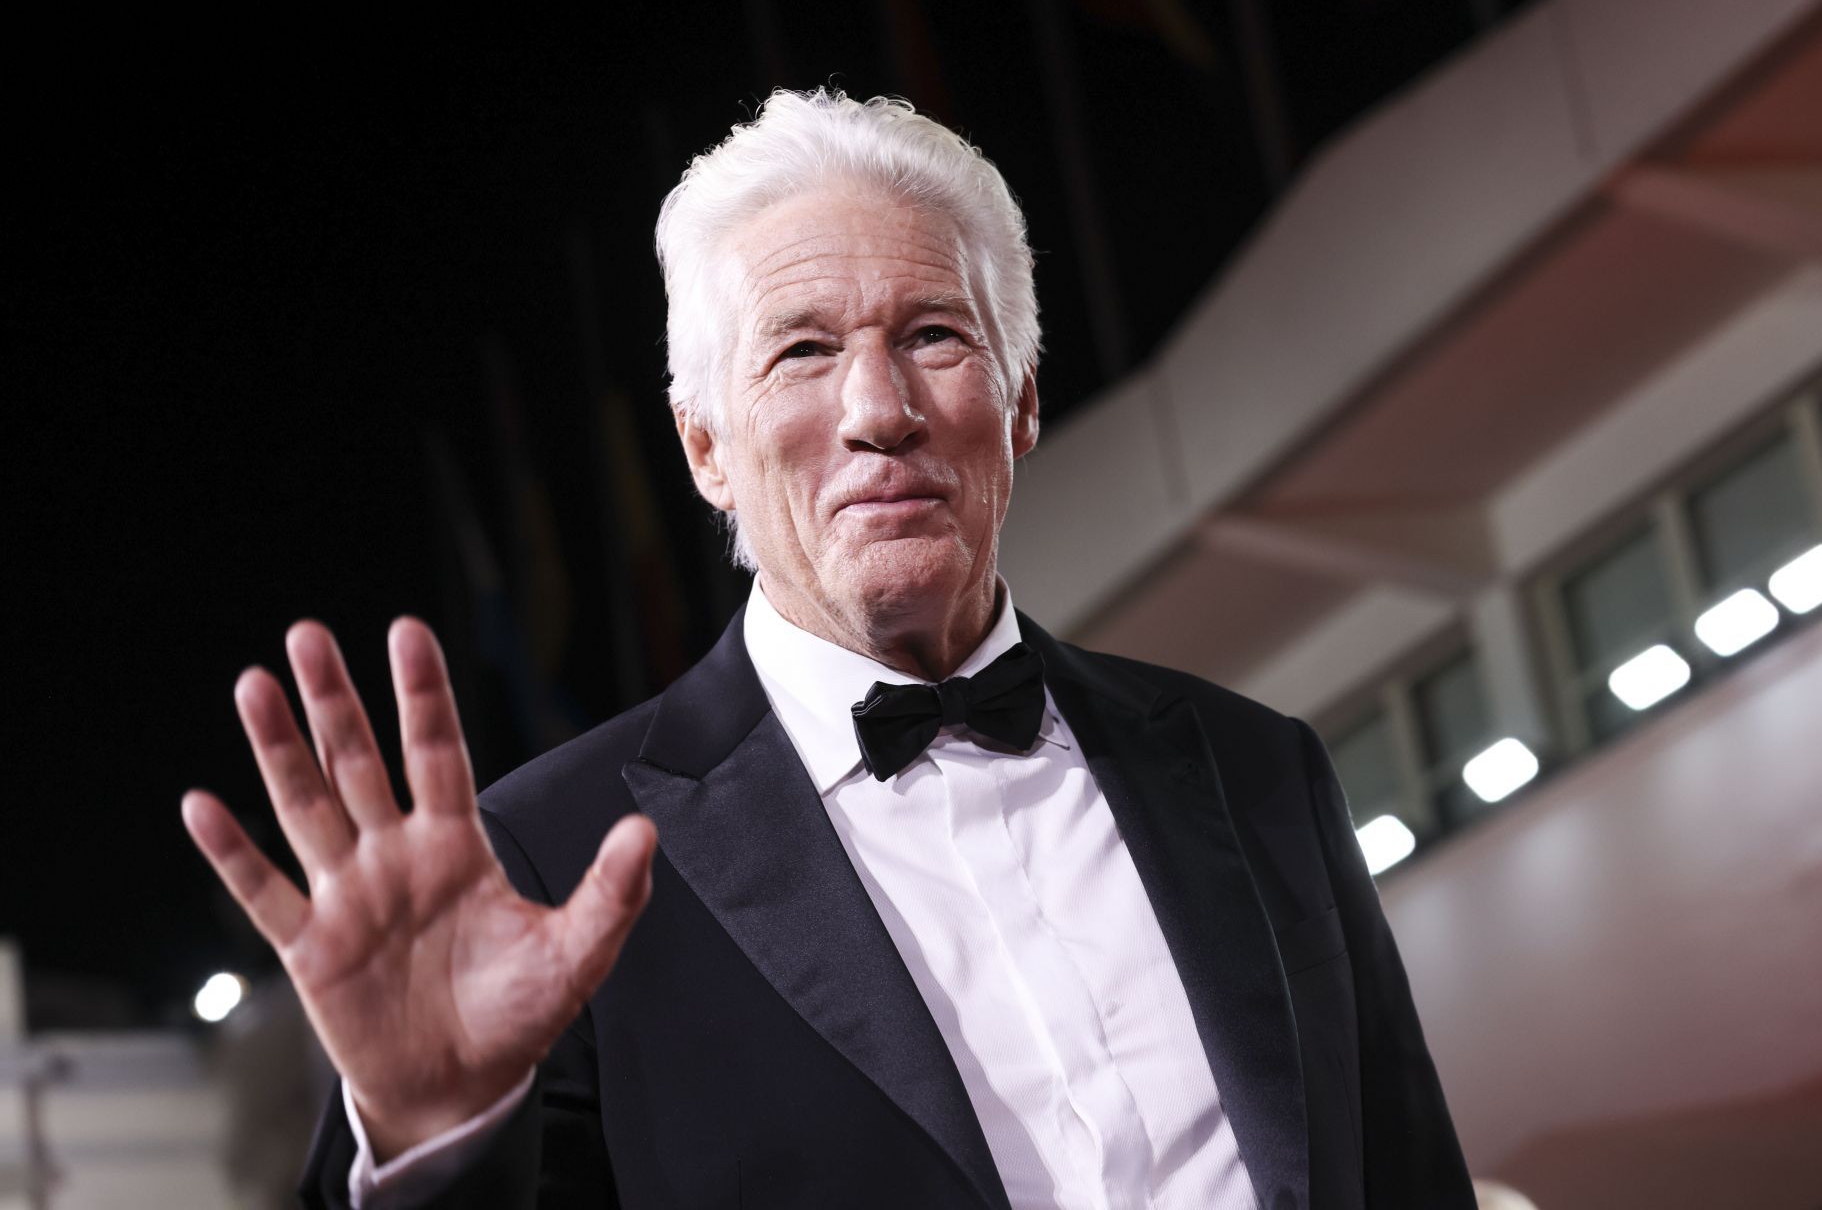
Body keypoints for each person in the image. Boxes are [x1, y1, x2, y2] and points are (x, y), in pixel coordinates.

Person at [182, 89, 1474, 1209]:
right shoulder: (550, 863)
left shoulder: (1261, 777)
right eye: (801, 352)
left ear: (1020, 399)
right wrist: (432, 1143)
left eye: (932, 335)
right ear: (706, 451)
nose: (879, 412)